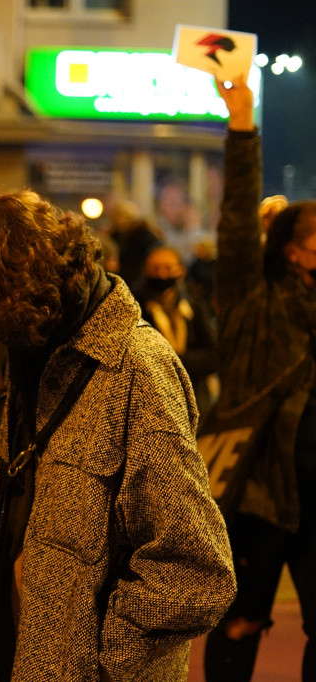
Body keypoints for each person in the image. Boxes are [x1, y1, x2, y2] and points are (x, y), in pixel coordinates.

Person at [0, 189, 236, 680]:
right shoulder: (39, 353)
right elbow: (7, 464)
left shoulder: (136, 367)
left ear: (16, 295)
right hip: (19, 650)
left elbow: (197, 570)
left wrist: (95, 660)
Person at [204, 76, 316, 682]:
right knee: (241, 621)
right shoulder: (249, 295)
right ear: (292, 250)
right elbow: (236, 221)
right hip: (259, 492)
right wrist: (242, 124)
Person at [132, 243, 219, 420]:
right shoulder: (136, 308)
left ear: (180, 271)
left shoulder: (194, 305)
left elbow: (214, 354)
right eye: (155, 268)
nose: (162, 274)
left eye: (168, 268)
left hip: (195, 396)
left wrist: (173, 363)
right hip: (153, 400)